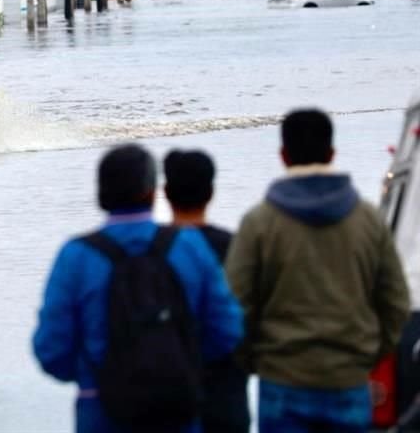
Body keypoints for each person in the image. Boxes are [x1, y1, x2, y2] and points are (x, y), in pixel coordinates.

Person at [33, 144, 244, 433]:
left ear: (101, 192)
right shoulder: (190, 246)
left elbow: (51, 351)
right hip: (177, 410)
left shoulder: (76, 256)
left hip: (101, 410)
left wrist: (95, 378)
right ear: (153, 192)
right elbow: (227, 332)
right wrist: (179, 366)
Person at [225, 109, 411, 433]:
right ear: (332, 153)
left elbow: (235, 306)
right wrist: (367, 355)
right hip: (349, 380)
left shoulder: (259, 223)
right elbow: (396, 303)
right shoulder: (367, 220)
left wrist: (256, 362)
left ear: (283, 155)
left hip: (281, 379)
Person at [164, 149, 250, 433]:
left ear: (165, 192)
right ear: (211, 192)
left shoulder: (147, 253)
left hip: (164, 400)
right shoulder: (237, 248)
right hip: (226, 397)